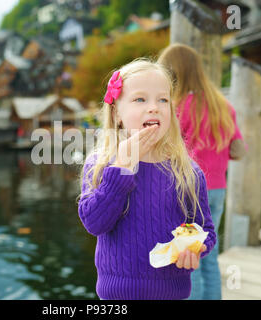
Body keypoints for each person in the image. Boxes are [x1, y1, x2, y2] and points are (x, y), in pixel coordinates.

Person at [77, 58, 216, 300]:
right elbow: (94, 223)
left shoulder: (187, 171)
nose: (154, 107)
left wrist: (195, 246)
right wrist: (121, 168)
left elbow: (205, 229)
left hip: (172, 294)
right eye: (140, 99)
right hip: (116, 296)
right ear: (117, 112)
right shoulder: (101, 165)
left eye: (162, 100)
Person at [158, 44, 247, 300]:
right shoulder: (223, 106)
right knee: (208, 254)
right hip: (218, 188)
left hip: (188, 190)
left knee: (187, 259)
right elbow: (238, 150)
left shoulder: (177, 107)